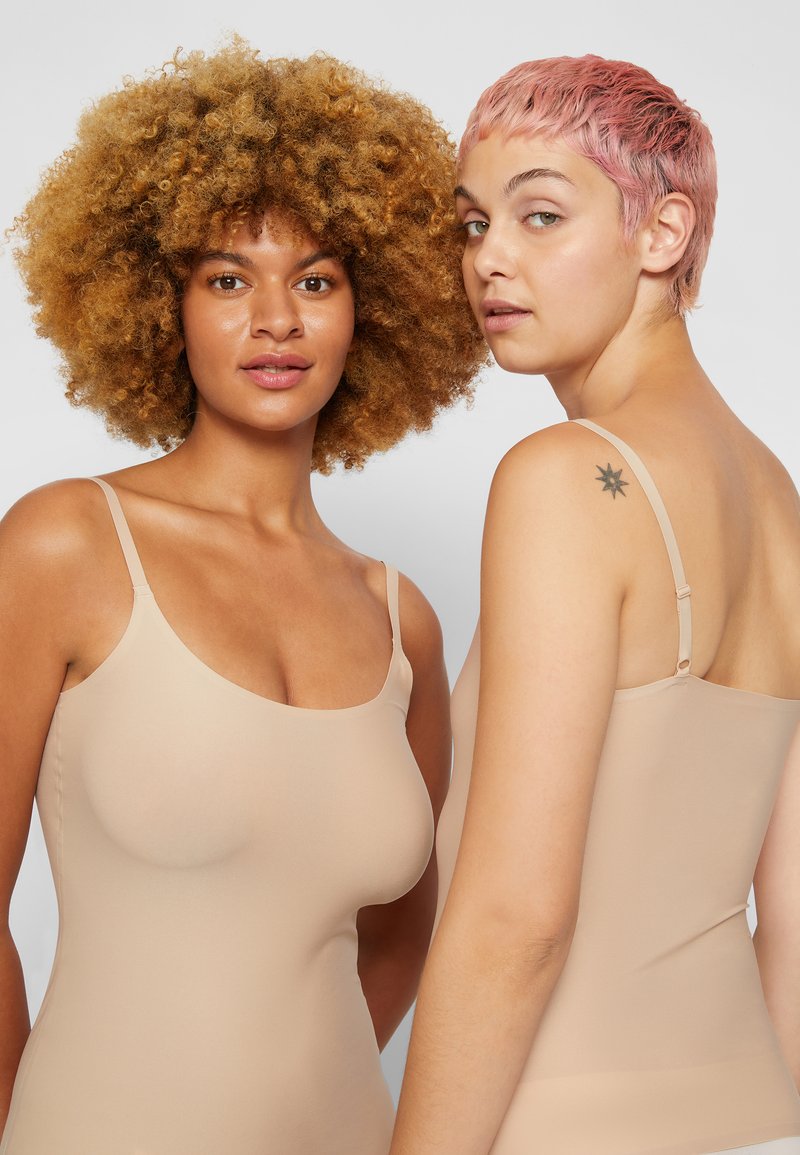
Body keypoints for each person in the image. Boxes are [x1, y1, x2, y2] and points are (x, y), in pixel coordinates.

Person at [0, 42, 485, 1155]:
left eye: (315, 280)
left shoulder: (400, 619)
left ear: (372, 310)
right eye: (228, 279)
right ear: (159, 305)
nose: (277, 320)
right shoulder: (67, 545)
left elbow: (402, 939)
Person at [389, 54, 800, 1155]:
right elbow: (797, 916)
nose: (489, 258)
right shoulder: (778, 501)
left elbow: (515, 920)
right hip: (755, 1119)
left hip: (564, 1126)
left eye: (539, 216)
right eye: (473, 224)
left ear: (661, 233)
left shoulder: (566, 477)